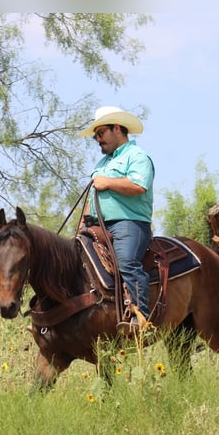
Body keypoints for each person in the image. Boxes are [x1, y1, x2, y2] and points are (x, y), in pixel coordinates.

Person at [79, 106, 155, 333]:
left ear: (117, 129)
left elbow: (139, 186)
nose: (97, 139)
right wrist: (83, 224)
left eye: (101, 133)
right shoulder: (101, 164)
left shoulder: (138, 156)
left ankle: (141, 318)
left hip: (129, 223)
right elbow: (92, 196)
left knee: (126, 262)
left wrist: (108, 183)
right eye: (95, 136)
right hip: (96, 225)